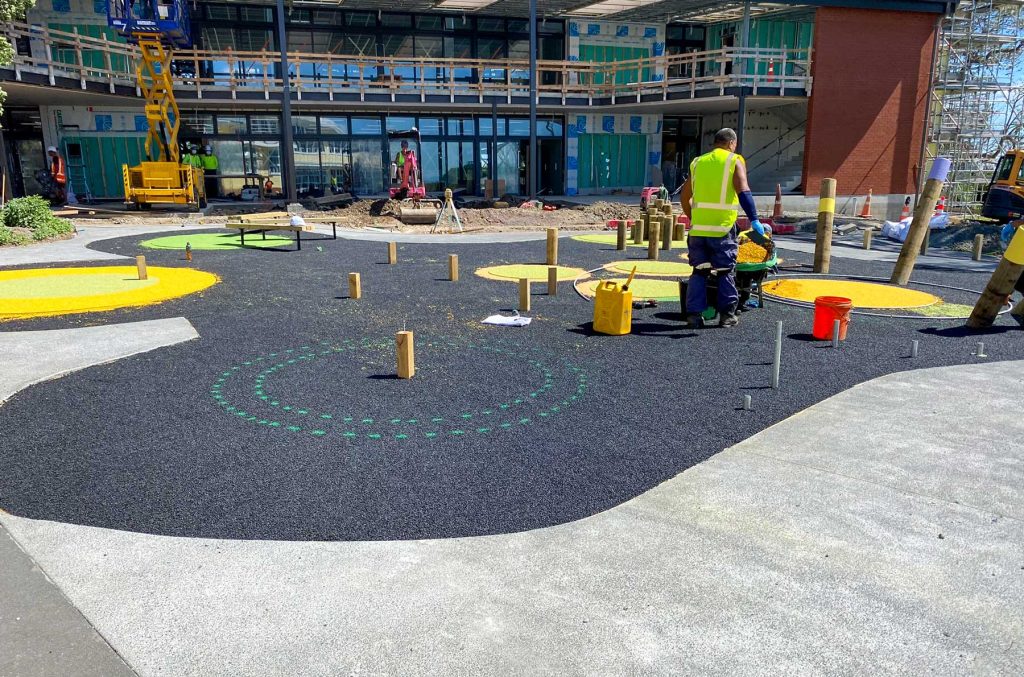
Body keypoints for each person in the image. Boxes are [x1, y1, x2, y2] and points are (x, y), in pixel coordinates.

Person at [680, 128, 766, 328]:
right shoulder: (734, 160)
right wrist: (754, 219)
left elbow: (685, 196)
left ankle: (694, 316)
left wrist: (693, 216)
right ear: (731, 143)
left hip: (698, 230)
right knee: (725, 271)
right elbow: (743, 190)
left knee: (699, 271)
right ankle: (727, 316)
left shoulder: (697, 162)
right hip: (722, 229)